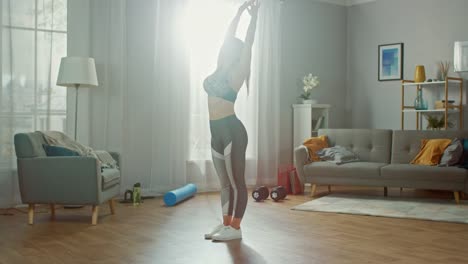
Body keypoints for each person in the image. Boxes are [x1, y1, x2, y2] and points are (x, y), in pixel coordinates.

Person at [203, 0, 259, 241]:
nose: (225, 49)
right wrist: (237, 13)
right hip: (215, 132)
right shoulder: (218, 69)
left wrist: (253, 17)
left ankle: (236, 229)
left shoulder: (238, 71)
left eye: (230, 48)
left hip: (232, 131)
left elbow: (248, 43)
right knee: (224, 184)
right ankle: (225, 224)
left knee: (237, 183)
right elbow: (229, 35)